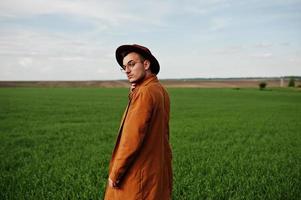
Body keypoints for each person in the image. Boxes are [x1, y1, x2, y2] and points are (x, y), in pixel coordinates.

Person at [104, 44, 172, 199]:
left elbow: (131, 139)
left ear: (146, 64)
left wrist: (115, 173)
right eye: (124, 67)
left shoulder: (144, 93)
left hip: (138, 178)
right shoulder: (159, 90)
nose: (127, 70)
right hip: (155, 173)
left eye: (131, 64)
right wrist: (135, 91)